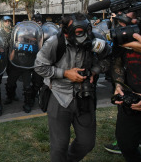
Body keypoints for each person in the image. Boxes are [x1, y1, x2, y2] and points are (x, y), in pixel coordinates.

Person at [34, 12, 109, 161]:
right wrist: (65, 73)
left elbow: (107, 59)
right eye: (79, 33)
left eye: (86, 31)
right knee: (59, 146)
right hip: (59, 96)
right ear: (67, 33)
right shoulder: (55, 42)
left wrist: (94, 71)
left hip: (85, 95)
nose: (85, 37)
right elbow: (39, 67)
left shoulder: (94, 40)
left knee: (87, 143)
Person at [104, 11, 141, 161]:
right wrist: (118, 84)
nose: (122, 24)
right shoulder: (122, 36)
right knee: (125, 144)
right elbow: (117, 62)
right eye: (120, 20)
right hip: (130, 100)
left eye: (128, 20)